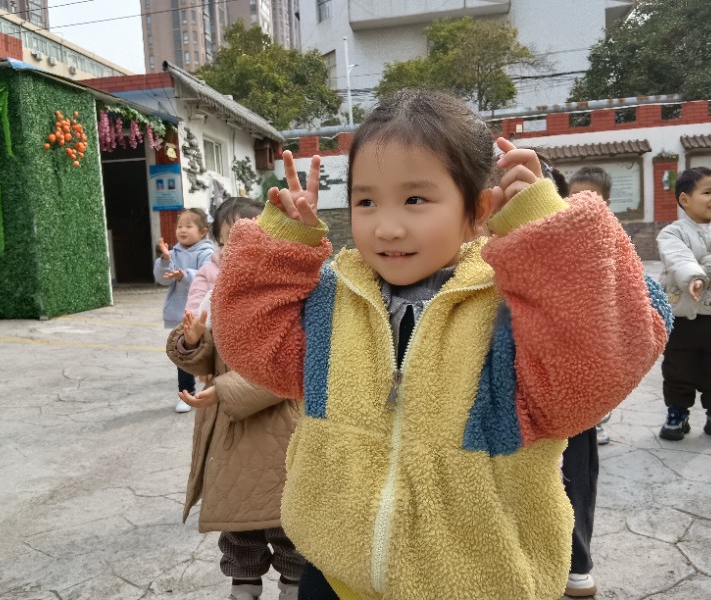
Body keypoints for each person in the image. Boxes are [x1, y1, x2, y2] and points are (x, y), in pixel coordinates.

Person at [210, 89, 670, 600]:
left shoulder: (512, 307)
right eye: (366, 201)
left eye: (415, 200)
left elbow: (596, 371)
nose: (387, 227)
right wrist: (282, 243)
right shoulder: (333, 299)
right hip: (334, 571)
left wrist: (548, 236)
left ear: (478, 210)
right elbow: (251, 345)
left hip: (477, 585)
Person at [167, 197, 305, 600]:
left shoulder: (289, 298)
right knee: (238, 524)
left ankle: (294, 585)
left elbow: (291, 368)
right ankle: (243, 585)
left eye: (250, 240)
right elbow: (208, 359)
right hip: (227, 435)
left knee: (285, 520)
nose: (236, 251)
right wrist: (193, 343)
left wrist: (224, 390)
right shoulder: (220, 296)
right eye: (227, 243)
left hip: (278, 434)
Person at [657, 167, 711, 445]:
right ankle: (677, 412)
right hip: (682, 318)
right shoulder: (671, 233)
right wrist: (693, 275)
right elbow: (678, 259)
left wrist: (705, 266)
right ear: (685, 199)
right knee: (678, 368)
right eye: (708, 192)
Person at [568, 166, 615, 447]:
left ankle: (596, 423)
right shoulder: (562, 227)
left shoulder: (611, 233)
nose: (580, 201)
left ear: (605, 202)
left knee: (597, 379)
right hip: (571, 320)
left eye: (589, 195)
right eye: (574, 194)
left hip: (599, 320)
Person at [153, 208, 214, 413]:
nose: (182, 230)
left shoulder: (207, 253)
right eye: (179, 226)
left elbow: (207, 277)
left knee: (208, 353)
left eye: (189, 226)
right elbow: (162, 279)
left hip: (202, 315)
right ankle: (187, 394)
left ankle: (216, 390)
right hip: (181, 315)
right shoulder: (174, 253)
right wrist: (164, 260)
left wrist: (184, 275)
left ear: (203, 231)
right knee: (184, 354)